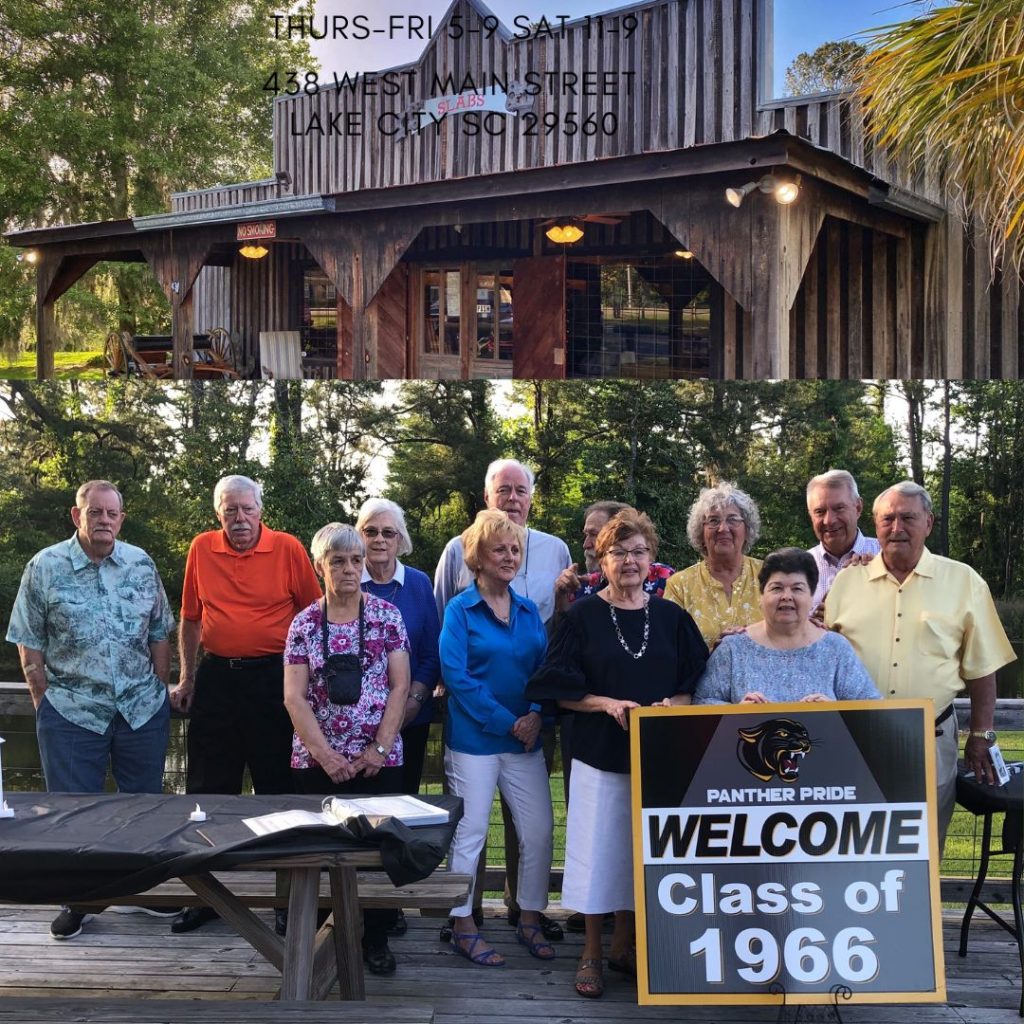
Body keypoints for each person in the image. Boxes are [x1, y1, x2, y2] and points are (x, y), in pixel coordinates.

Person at [527, 510, 708, 999]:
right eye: (618, 552)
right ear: (601, 561)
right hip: (598, 753)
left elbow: (697, 679)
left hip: (657, 757)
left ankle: (622, 947)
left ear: (652, 560)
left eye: (638, 552)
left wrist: (677, 704)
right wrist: (603, 703)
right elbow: (555, 688)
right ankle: (590, 951)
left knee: (640, 854)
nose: (629, 561)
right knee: (595, 852)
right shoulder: (582, 616)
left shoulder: (671, 617)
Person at [6, 480, 175, 940]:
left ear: (121, 518)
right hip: (72, 710)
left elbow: (160, 630)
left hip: (140, 709)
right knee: (72, 814)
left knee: (144, 808)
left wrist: (158, 690)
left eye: (112, 513)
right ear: (76, 515)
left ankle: (146, 891)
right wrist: (46, 705)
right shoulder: (45, 566)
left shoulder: (141, 563)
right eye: (95, 512)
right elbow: (29, 642)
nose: (104, 520)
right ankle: (78, 901)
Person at [169, 474, 322, 934]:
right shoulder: (201, 548)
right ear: (218, 513)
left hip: (274, 678)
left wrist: (308, 683)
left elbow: (313, 615)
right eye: (229, 510)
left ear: (260, 510)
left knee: (278, 790)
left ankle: (283, 898)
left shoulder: (288, 548)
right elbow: (191, 619)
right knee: (207, 791)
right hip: (218, 678)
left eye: (246, 509)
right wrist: (187, 677)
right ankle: (208, 896)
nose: (239, 518)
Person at [825, 481, 1016, 848]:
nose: (897, 528)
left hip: (932, 738)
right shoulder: (847, 582)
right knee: (853, 844)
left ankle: (927, 907)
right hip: (855, 740)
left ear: (928, 523)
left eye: (908, 518)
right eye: (888, 519)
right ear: (876, 525)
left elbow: (982, 669)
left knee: (925, 846)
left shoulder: (964, 582)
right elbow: (823, 660)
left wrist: (981, 735)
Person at [433, 457, 570, 939]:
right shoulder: (459, 609)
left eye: (515, 550)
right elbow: (457, 675)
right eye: (499, 551)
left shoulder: (531, 610)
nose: (510, 557)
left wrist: (533, 714)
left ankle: (530, 916)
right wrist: (507, 720)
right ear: (477, 557)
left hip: (525, 738)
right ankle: (463, 922)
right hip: (474, 739)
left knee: (537, 831)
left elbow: (544, 668)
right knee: (470, 835)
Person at [283, 522, 411, 976]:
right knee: (317, 854)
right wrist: (326, 755)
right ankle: (317, 943)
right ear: (321, 566)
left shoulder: (386, 617)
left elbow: (401, 687)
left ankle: (375, 937)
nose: (350, 569)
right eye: (338, 561)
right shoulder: (302, 624)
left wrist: (378, 747)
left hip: (378, 761)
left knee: (376, 853)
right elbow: (294, 697)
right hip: (318, 761)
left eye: (356, 560)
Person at [356, 497, 441, 937]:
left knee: (398, 815)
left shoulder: (419, 584)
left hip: (411, 718)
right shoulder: (350, 581)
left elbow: (429, 651)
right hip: (355, 727)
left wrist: (414, 698)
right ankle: (355, 909)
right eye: (370, 531)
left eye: (388, 532)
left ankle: (387, 910)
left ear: (401, 539)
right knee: (358, 818)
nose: (379, 540)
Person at [694, 548, 880, 705]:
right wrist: (739, 713)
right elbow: (701, 702)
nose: (786, 596)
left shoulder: (835, 648)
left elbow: (869, 708)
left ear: (811, 596)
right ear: (761, 596)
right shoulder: (733, 649)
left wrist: (834, 713)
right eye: (776, 588)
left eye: (797, 588)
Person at [664, 482, 764, 647]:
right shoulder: (679, 586)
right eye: (713, 521)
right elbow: (669, 649)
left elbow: (790, 631)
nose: (723, 528)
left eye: (732, 519)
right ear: (701, 532)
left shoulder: (769, 576)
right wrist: (712, 653)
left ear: (747, 529)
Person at [555, 500, 675, 614]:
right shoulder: (585, 586)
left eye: (593, 534)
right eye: (586, 535)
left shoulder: (663, 579)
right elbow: (567, 630)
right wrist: (562, 600)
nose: (586, 544)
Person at [805, 469, 880, 611]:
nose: (829, 520)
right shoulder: (799, 568)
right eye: (820, 512)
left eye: (839, 508)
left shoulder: (885, 557)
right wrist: (813, 623)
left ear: (858, 508)